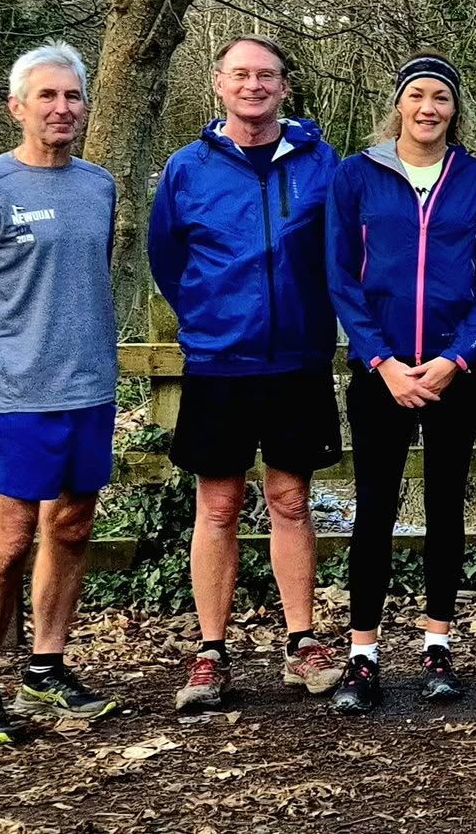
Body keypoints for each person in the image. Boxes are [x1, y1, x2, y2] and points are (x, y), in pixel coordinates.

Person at [148, 35, 346, 711]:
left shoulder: (322, 164)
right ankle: (210, 651)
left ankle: (302, 642)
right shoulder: (186, 168)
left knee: (290, 500)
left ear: (285, 87)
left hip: (298, 359)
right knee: (219, 504)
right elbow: (168, 260)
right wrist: (211, 317)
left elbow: (343, 253)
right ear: (218, 83)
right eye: (241, 74)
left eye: (266, 75)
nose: (254, 85)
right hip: (219, 361)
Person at [0, 43, 118, 748]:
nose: (62, 107)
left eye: (72, 96)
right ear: (17, 106)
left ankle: (45, 667)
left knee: (71, 528)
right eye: (47, 96)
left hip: (89, 393)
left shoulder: (98, 185)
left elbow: (84, 283)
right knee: (7, 540)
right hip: (14, 399)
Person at [324, 51, 476, 713]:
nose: (429, 107)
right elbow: (341, 275)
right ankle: (363, 653)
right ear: (399, 104)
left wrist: (456, 356)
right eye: (418, 95)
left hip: (455, 370)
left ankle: (437, 643)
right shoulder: (357, 175)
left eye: (441, 96)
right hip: (382, 371)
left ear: (456, 110)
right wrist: (382, 360)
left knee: (446, 504)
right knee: (374, 508)